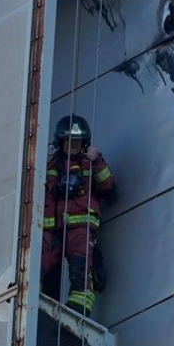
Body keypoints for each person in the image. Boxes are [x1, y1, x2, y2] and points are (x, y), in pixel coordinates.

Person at [41, 114, 115, 317]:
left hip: (80, 228)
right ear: (60, 141)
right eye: (68, 140)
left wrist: (97, 161)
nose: (73, 144)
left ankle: (78, 310)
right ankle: (42, 311)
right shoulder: (50, 164)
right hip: (51, 229)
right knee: (44, 269)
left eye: (77, 141)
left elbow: (108, 186)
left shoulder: (90, 162)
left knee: (80, 269)